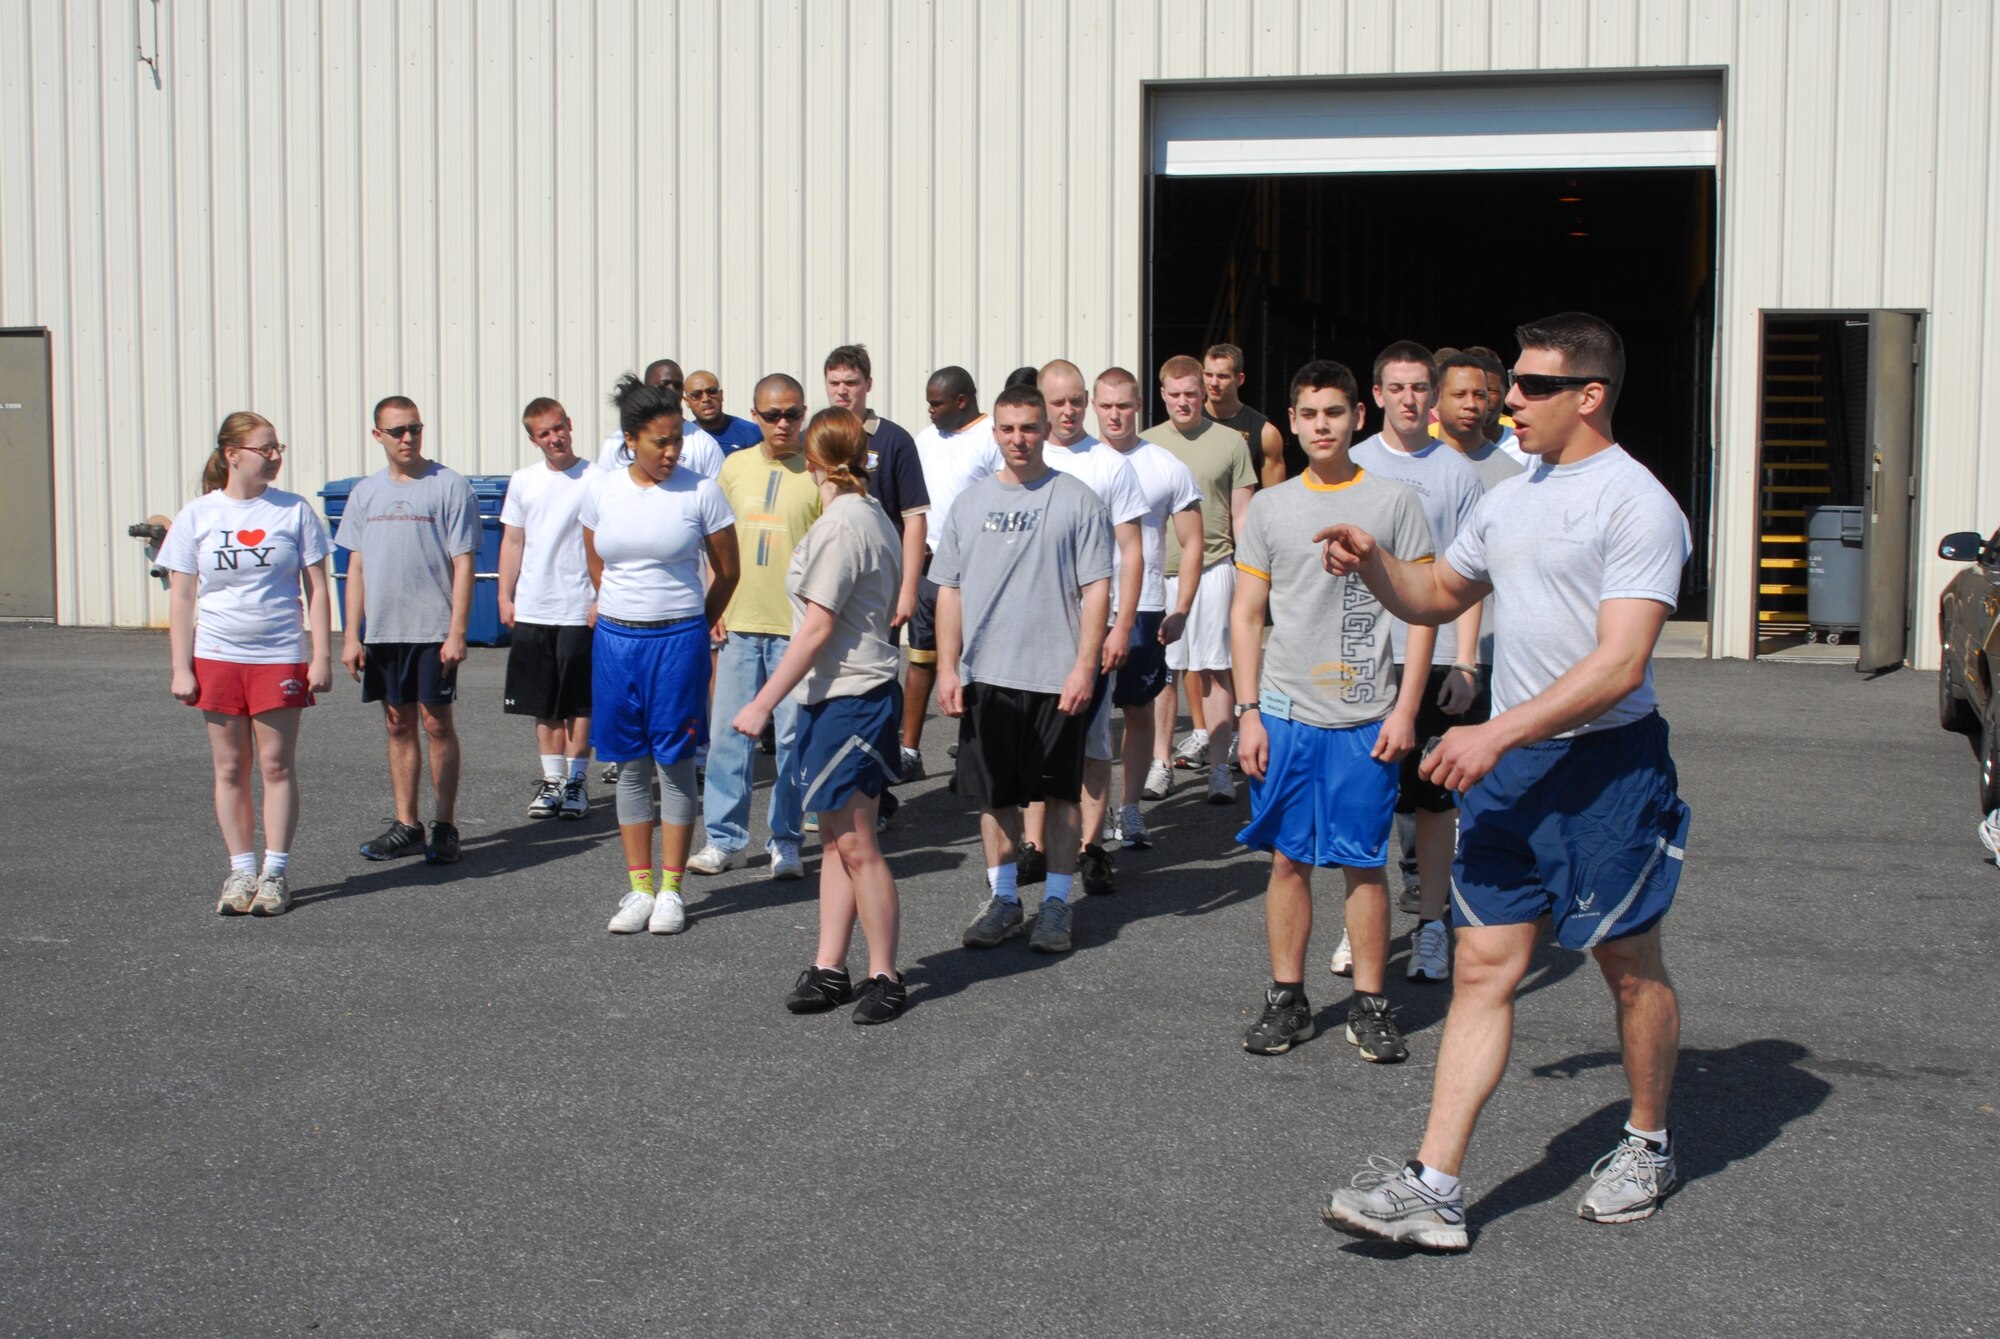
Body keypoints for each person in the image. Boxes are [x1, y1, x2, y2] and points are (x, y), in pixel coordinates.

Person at [1319, 312, 1693, 1251]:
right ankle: (1434, 1184)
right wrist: (1373, 567)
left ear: (1589, 395)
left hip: (1608, 768)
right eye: (1511, 384)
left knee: (1628, 963)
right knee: (1484, 965)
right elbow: (1438, 593)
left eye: (1530, 385)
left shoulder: (1637, 503)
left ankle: (1647, 1139)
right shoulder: (1513, 493)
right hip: (1515, 762)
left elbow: (1619, 663)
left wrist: (1494, 732)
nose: (1507, 400)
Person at [1231, 361, 1433, 1063]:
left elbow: (1422, 612)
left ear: (1359, 418)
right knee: (1288, 860)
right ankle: (1287, 997)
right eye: (1310, 413)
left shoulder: (1396, 501)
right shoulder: (1271, 507)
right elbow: (1247, 614)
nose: (1322, 424)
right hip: (1285, 713)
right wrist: (1249, 711)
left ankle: (1372, 1005)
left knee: (1362, 864)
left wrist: (1407, 709)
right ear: (1292, 420)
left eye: (1335, 413)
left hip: (1366, 716)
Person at [730, 409, 909, 1023]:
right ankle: (831, 966)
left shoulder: (844, 524)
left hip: (851, 697)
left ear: (813, 465)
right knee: (834, 842)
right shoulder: (864, 516)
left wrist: (760, 702)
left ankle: (886, 973)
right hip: (830, 695)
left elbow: (816, 627)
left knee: (857, 842)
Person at [934, 383, 1113, 955]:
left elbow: (1096, 590)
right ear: (994, 433)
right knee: (996, 797)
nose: (1019, 439)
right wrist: (947, 667)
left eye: (1029, 427)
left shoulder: (1078, 499)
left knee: (1059, 798)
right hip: (987, 676)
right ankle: (1005, 899)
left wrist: (1085, 666)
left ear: (1046, 429)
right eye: (1008, 429)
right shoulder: (970, 503)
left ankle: (1057, 904)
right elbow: (950, 593)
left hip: (1054, 677)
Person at [1340, 342, 1485, 987]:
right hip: (1363, 661)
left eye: (1420, 387)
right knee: (1366, 798)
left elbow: (1471, 578)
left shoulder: (1458, 474)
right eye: (1396, 387)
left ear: (1433, 396)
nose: (1408, 398)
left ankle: (1431, 927)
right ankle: (1358, 926)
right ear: (1376, 396)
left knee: (1433, 802)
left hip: (1432, 662)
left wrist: (1467, 662)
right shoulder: (1352, 465)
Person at [582, 374, 739, 935]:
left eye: (677, 439)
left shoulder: (702, 491)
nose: (671, 452)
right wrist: (621, 606)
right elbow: (598, 561)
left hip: (679, 641)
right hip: (616, 642)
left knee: (673, 764)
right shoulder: (600, 489)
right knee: (629, 764)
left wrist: (695, 619)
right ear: (631, 440)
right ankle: (638, 888)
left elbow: (728, 570)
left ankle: (672, 888)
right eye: (659, 442)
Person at [162, 413, 333, 917]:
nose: (276, 456)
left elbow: (319, 588)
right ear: (233, 454)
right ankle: (240, 871)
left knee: (277, 766)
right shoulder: (198, 515)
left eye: (278, 447)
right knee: (231, 768)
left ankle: (275, 873)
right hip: (216, 655)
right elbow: (181, 597)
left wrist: (319, 655)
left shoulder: (295, 511)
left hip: (278, 653)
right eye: (265, 449)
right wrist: (181, 666)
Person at [1018, 360, 1146, 894]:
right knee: (1032, 744)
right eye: (1057, 401)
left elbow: (1132, 553)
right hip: (1029, 631)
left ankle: (1093, 848)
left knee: (1093, 744)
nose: (1067, 411)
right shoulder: (1022, 458)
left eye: (1076, 400)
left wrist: (1121, 627)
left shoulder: (1110, 465)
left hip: (1090, 632)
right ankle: (1035, 846)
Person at [336, 396, 480, 865]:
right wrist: (351, 635)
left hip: (431, 629)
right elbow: (355, 567)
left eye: (414, 428)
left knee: (436, 723)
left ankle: (443, 825)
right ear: (377, 435)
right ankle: (407, 825)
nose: (407, 438)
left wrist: (456, 631)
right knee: (397, 723)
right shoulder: (364, 494)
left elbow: (464, 565)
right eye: (397, 431)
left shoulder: (449, 486)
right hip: (382, 631)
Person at [691, 373, 824, 879]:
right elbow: (714, 542)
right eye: (771, 415)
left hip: (793, 629)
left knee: (792, 740)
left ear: (804, 413)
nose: (783, 424)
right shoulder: (733, 468)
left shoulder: (815, 472)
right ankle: (724, 839)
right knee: (729, 737)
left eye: (792, 413)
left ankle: (785, 838)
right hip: (740, 624)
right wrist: (715, 602)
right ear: (755, 415)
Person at [1093, 366, 1203, 843]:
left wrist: (1182, 607)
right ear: (1093, 406)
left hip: (1144, 609)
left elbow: (1193, 542)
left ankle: (1130, 807)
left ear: (1139, 406)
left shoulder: (1167, 466)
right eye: (1106, 406)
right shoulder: (1074, 461)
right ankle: (1080, 820)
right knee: (1079, 716)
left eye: (1124, 405)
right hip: (1083, 607)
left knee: (1136, 712)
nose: (1115, 415)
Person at [1142, 355, 1256, 805]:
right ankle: (1160, 763)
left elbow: (1243, 514)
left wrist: (1250, 575)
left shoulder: (1231, 443)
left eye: (1192, 393)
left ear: (1203, 393)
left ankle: (1221, 769)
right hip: (1156, 574)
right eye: (1176, 394)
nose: (1184, 402)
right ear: (1163, 394)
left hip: (1214, 569)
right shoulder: (1144, 445)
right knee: (1163, 674)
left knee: (1213, 669)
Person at [824, 343, 930, 781]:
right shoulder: (818, 433)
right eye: (834, 383)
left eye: (851, 383)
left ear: (869, 385)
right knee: (827, 682)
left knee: (873, 684)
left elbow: (915, 520)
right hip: (827, 582)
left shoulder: (893, 440)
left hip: (878, 588)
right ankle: (830, 784)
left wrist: (907, 589)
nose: (843, 391)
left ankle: (877, 787)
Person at [498, 397, 596, 821]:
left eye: (559, 428)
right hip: (535, 607)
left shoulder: (597, 478)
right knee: (543, 703)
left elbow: (604, 543)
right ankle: (552, 782)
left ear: (569, 425)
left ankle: (576, 783)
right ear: (533, 439)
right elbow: (514, 541)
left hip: (579, 606)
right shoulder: (524, 481)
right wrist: (505, 595)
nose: (555, 438)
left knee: (580, 703)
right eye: (544, 433)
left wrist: (601, 597)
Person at [909, 366, 1000, 765]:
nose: (929, 410)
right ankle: (908, 750)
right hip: (928, 566)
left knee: (974, 662)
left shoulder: (993, 436)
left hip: (976, 570)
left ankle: (973, 749)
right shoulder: (925, 439)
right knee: (921, 657)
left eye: (936, 403)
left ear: (962, 401)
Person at [596, 360, 724, 479]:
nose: (673, 390)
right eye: (664, 385)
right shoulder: (615, 443)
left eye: (678, 385)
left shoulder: (705, 444)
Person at [1204, 342, 1294, 487]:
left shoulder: (1264, 433)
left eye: (1222, 376)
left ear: (1240, 379)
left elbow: (1273, 500)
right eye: (1208, 374)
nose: (1214, 382)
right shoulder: (1187, 424)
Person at [683, 370, 767, 455]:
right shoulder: (683, 437)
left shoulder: (752, 433)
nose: (706, 399)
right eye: (696, 395)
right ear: (687, 401)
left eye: (711, 391)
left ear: (721, 395)